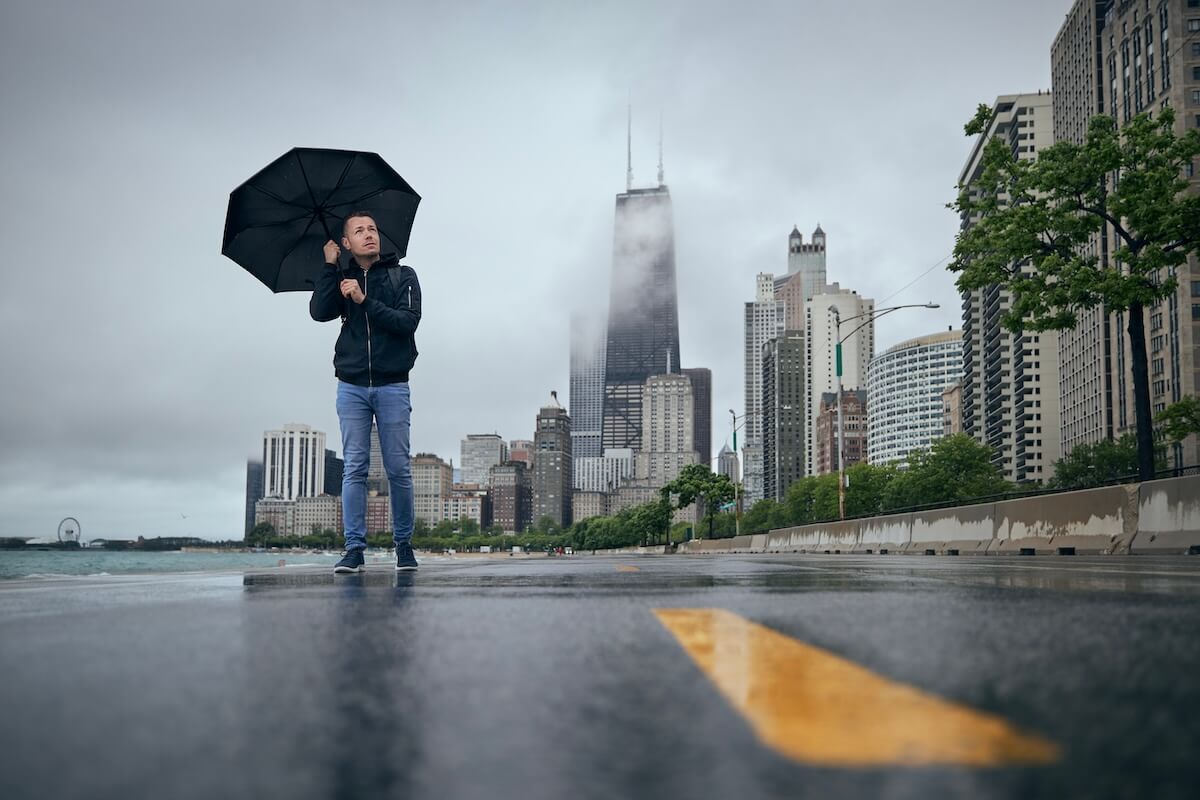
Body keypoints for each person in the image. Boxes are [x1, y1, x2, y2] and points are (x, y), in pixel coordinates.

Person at [310, 211, 422, 573]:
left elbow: (406, 323)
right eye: (359, 231)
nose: (369, 235)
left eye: (372, 228)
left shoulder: (403, 275)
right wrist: (330, 267)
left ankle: (403, 546)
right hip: (352, 386)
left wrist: (363, 300)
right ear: (347, 243)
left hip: (393, 384)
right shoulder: (340, 279)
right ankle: (354, 549)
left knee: (398, 469)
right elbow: (318, 312)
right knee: (354, 468)